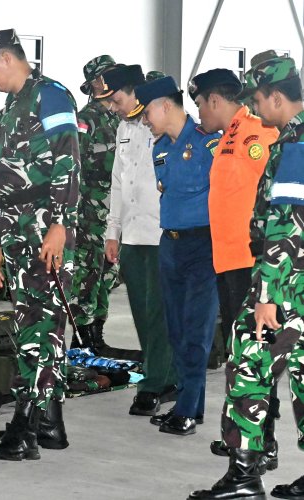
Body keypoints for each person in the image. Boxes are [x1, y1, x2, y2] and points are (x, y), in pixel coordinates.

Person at [189, 55, 304, 500]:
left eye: (257, 100)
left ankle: (243, 477)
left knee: (249, 366)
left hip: (288, 282)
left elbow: (288, 225)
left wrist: (268, 295)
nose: (255, 109)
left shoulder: (294, 142)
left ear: (277, 97)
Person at [0, 29, 79, 461]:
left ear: (8, 58)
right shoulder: (10, 109)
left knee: (41, 331)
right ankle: (50, 425)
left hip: (42, 230)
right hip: (16, 232)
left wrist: (60, 225)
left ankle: (25, 430)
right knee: (34, 326)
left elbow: (68, 159)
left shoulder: (50, 96)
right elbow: (1, 183)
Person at [135, 76, 221, 436]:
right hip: (169, 244)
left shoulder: (208, 144)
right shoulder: (160, 148)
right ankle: (190, 405)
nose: (144, 120)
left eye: (148, 112)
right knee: (175, 328)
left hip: (204, 245)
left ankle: (186, 409)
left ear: (166, 106)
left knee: (195, 330)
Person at [98, 65, 177, 417]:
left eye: (116, 99)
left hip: (161, 232)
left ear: (133, 91)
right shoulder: (123, 127)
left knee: (158, 311)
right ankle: (167, 375)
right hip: (130, 234)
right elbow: (119, 182)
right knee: (141, 313)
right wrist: (112, 232)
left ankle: (153, 383)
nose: (113, 106)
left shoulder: (158, 124)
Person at [191, 68, 278, 359]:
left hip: (249, 262)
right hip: (227, 261)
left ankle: (264, 407)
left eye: (200, 104)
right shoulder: (228, 135)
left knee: (256, 353)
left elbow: (274, 192)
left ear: (214, 100)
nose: (200, 113)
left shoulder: (256, 131)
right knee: (238, 349)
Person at [69, 55, 122, 356]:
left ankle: (97, 333)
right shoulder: (85, 118)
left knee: (108, 272)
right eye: (106, 76)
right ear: (95, 83)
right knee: (87, 271)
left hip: (115, 206)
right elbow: (74, 164)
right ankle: (81, 336)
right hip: (89, 206)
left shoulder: (121, 115)